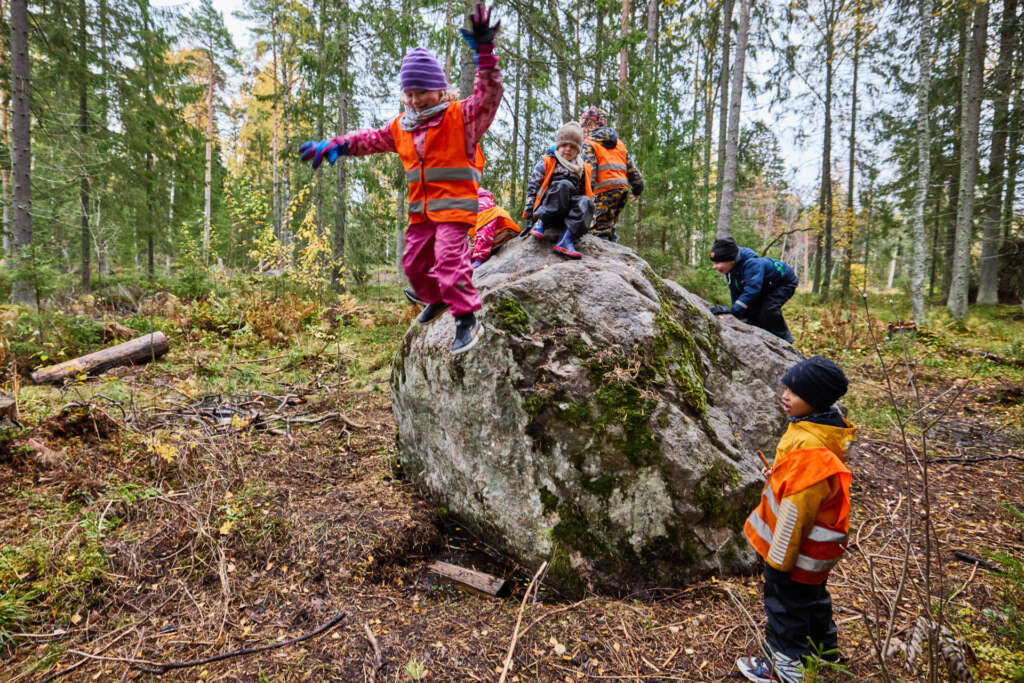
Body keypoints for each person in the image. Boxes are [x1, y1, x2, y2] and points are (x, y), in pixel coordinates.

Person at [298, 3, 501, 355]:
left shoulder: (461, 117)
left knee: (450, 261)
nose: (415, 100)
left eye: (422, 92)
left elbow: (489, 95)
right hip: (421, 213)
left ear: (440, 90)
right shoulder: (401, 127)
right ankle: (437, 299)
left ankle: (467, 318)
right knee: (414, 266)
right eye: (409, 93)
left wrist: (485, 55)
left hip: (454, 209)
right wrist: (336, 146)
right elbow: (369, 139)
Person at [737, 356, 856, 683]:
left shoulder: (810, 448)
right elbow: (802, 481)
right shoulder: (822, 428)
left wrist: (779, 562)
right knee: (813, 601)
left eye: (795, 392)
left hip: (795, 552)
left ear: (816, 399)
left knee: (784, 606)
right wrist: (778, 474)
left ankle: (784, 667)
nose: (785, 396)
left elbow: (797, 508)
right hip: (815, 554)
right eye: (786, 388)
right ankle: (824, 653)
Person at [522, 122, 595, 259]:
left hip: (567, 214)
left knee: (586, 201)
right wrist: (530, 218)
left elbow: (586, 193)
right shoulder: (548, 161)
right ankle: (541, 224)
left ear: (578, 150)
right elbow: (533, 188)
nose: (568, 149)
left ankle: (566, 240)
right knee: (564, 185)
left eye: (573, 147)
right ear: (558, 145)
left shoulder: (583, 168)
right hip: (548, 208)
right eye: (564, 145)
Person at [708, 237, 798, 343]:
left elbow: (752, 290)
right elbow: (735, 291)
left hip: (784, 283)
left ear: (731, 260)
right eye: (714, 263)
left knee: (768, 309)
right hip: (765, 285)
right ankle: (762, 337)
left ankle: (785, 339)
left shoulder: (752, 264)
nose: (715, 267)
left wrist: (734, 310)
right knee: (752, 312)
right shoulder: (730, 269)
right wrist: (736, 313)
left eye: (718, 263)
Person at [579, 106, 643, 242]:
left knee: (598, 229)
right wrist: (637, 188)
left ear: (590, 125)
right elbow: (632, 169)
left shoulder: (589, 143)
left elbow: (590, 170)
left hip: (604, 191)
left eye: (583, 126)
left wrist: (585, 193)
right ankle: (615, 251)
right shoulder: (619, 144)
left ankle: (601, 260)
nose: (582, 131)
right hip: (621, 190)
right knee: (609, 225)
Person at [469, 186, 520, 267]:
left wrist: (479, 258)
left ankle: (479, 256)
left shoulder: (482, 205)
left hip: (505, 234)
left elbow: (485, 231)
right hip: (495, 237)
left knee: (484, 228)